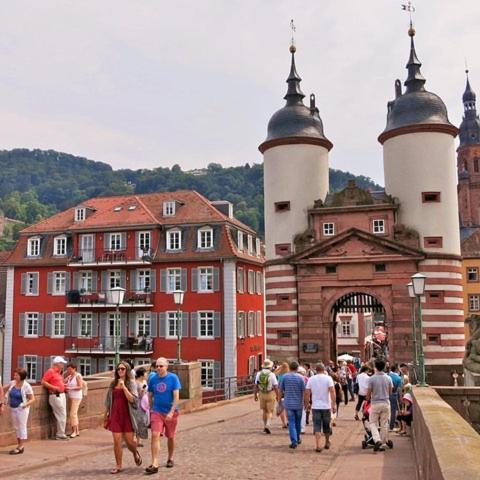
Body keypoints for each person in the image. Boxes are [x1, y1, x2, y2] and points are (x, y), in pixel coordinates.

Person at [104, 361, 142, 474]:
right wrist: (105, 415)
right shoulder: (113, 383)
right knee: (117, 441)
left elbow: (134, 400)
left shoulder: (131, 383)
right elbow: (108, 401)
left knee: (130, 442)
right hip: (115, 415)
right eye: (118, 369)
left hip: (128, 415)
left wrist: (124, 387)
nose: (120, 371)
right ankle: (119, 465)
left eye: (122, 369)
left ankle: (135, 453)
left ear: (127, 370)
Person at [146, 357, 181, 474]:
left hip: (171, 412)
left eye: (161, 366)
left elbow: (176, 397)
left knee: (170, 436)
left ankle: (170, 458)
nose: (158, 368)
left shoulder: (173, 378)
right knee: (155, 435)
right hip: (157, 411)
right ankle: (154, 463)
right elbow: (150, 395)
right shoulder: (153, 379)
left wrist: (171, 412)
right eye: (157, 366)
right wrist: (151, 408)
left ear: (166, 366)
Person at [304, 363, 336, 452]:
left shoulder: (311, 379)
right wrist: (333, 404)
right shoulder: (328, 378)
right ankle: (327, 441)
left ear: (316, 370)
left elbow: (307, 392)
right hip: (326, 406)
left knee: (317, 425)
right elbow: (332, 391)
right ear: (323, 369)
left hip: (316, 406)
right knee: (326, 425)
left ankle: (318, 445)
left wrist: (307, 404)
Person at [4, 368, 35, 454]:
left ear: (21, 376)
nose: (14, 376)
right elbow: (3, 388)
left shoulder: (27, 386)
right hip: (13, 408)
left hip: (22, 409)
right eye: (14, 375)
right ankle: (19, 445)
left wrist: (25, 404)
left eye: (16, 375)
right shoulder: (12, 383)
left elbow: (32, 399)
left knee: (22, 427)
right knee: (16, 427)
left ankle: (21, 446)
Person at [366, 358, 393, 452]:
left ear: (375, 367)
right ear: (384, 367)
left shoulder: (372, 378)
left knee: (373, 423)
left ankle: (377, 440)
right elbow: (390, 392)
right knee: (384, 423)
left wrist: (367, 399)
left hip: (375, 403)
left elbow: (368, 393)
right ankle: (382, 442)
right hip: (385, 402)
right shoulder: (388, 378)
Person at [279, 361, 305, 449]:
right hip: (299, 403)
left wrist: (279, 401)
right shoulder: (301, 378)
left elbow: (280, 390)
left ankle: (294, 441)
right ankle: (297, 437)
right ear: (297, 368)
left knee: (291, 422)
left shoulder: (284, 377)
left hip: (288, 403)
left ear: (289, 368)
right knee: (298, 422)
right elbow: (304, 391)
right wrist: (305, 402)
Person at [41, 356, 69, 440]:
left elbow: (58, 382)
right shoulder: (51, 371)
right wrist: (54, 387)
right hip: (55, 395)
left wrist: (64, 387)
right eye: (62, 363)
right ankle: (60, 434)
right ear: (57, 364)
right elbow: (43, 382)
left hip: (61, 394)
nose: (63, 365)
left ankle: (61, 433)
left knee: (62, 414)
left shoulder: (58, 373)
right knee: (62, 414)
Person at [254, 359, 279, 434]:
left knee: (264, 411)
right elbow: (276, 386)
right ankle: (268, 424)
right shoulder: (272, 374)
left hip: (262, 393)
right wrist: (278, 395)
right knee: (270, 411)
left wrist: (255, 395)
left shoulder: (259, 374)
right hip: (270, 393)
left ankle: (264, 426)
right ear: (270, 367)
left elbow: (256, 385)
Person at [64, 362, 83, 438]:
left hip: (76, 397)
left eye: (70, 369)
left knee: (73, 414)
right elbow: (63, 382)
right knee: (73, 414)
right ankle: (77, 431)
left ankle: (74, 431)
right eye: (68, 369)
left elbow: (80, 387)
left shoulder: (78, 376)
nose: (68, 371)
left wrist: (70, 388)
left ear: (74, 369)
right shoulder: (69, 376)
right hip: (70, 396)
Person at [135, 367, 150, 446]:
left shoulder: (145, 381)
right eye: (145, 373)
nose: (146, 374)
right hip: (138, 404)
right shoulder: (136, 383)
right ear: (141, 375)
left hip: (145, 403)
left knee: (144, 420)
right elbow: (137, 395)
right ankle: (138, 440)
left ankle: (140, 439)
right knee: (139, 421)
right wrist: (141, 391)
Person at [274, 362, 289, 429]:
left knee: (281, 408)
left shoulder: (279, 375)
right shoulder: (288, 375)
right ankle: (288, 421)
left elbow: (278, 386)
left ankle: (283, 423)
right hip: (288, 393)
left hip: (281, 393)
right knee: (287, 409)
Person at [388, 364, 402, 430]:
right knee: (393, 411)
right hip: (393, 395)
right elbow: (399, 389)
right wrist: (400, 398)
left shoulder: (387, 375)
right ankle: (391, 426)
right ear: (396, 369)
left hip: (385, 395)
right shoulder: (398, 378)